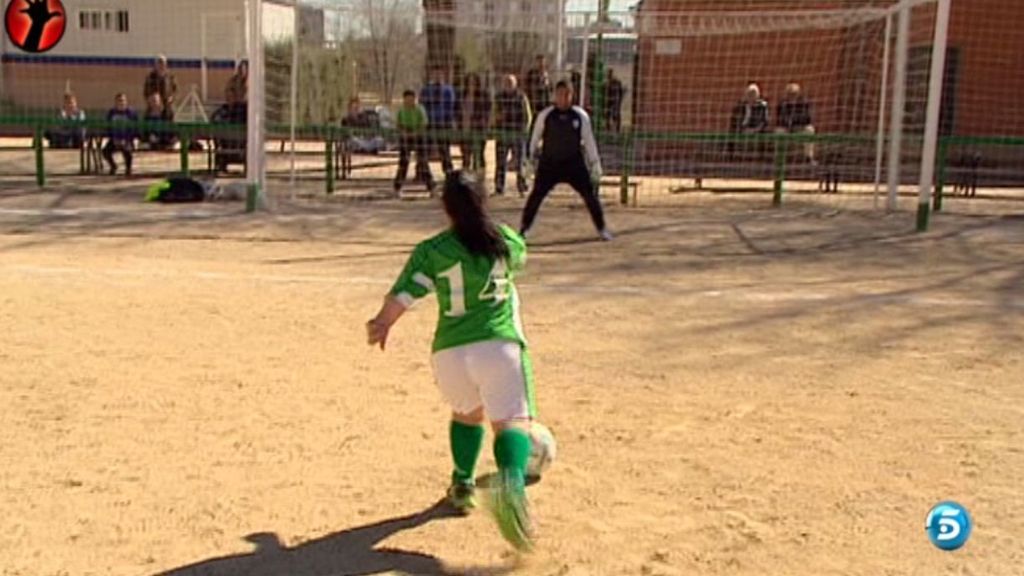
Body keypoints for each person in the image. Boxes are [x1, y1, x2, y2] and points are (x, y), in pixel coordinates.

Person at [366, 170, 536, 551]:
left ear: (445, 208)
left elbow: (404, 295)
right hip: (500, 347)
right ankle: (510, 484)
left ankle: (462, 484)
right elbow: (519, 260)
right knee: (512, 422)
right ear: (484, 201)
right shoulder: (506, 241)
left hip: (451, 353)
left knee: (466, 414)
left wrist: (381, 324)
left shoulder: (432, 251)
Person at [521, 80, 612, 242]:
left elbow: (589, 141)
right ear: (554, 96)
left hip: (573, 164)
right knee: (536, 196)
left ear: (572, 95)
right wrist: (528, 159)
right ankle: (524, 230)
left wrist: (595, 163)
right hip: (549, 164)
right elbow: (534, 138)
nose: (562, 98)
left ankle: (602, 228)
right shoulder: (545, 115)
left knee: (590, 195)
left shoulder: (580, 116)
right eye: (559, 94)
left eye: (566, 94)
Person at [493, 74, 532, 197]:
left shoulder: (521, 97)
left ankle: (522, 187)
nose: (508, 84)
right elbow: (494, 115)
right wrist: (497, 121)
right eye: (506, 82)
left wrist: (524, 130)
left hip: (518, 134)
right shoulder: (498, 97)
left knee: (520, 162)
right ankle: (499, 188)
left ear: (516, 84)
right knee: (500, 162)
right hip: (503, 134)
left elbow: (528, 116)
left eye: (511, 82)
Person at [394, 89, 435, 196]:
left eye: (411, 100)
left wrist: (416, 133)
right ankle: (397, 186)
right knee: (403, 161)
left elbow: (424, 124)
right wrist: (404, 133)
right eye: (406, 100)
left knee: (423, 161)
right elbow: (398, 124)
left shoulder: (419, 109)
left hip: (419, 136)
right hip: (406, 136)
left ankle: (430, 185)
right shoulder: (401, 110)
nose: (409, 102)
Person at [420, 67, 456, 175]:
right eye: (435, 74)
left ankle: (449, 175)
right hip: (429, 123)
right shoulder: (426, 90)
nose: (437, 76)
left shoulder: (448, 89)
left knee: (445, 151)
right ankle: (425, 176)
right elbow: (422, 105)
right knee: (425, 151)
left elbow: (451, 106)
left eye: (439, 74)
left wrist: (450, 122)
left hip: (444, 124)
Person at [776, 82, 817, 165]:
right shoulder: (782, 104)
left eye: (794, 94)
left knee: (809, 130)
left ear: (798, 94)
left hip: (800, 127)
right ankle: (780, 158)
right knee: (779, 131)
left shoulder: (804, 103)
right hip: (787, 128)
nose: (792, 95)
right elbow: (779, 120)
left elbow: (808, 118)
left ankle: (808, 157)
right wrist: (788, 125)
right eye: (790, 93)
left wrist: (798, 125)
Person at [457, 72, 491, 171]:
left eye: (474, 82)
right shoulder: (461, 95)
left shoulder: (484, 95)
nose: (471, 84)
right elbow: (457, 110)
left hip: (479, 128)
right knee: (466, 156)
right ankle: (466, 179)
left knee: (479, 154)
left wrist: (485, 124)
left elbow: (487, 111)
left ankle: (480, 176)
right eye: (469, 82)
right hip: (464, 128)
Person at [102, 93, 138, 176]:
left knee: (127, 151)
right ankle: (113, 166)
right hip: (115, 139)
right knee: (105, 151)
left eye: (123, 101)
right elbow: (108, 128)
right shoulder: (111, 113)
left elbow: (134, 129)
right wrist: (114, 139)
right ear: (115, 102)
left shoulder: (131, 113)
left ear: (126, 102)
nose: (121, 103)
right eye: (119, 101)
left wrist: (127, 140)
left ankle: (128, 168)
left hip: (127, 140)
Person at [143, 55, 178, 121]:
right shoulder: (150, 77)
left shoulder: (171, 77)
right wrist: (151, 100)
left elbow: (175, 90)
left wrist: (172, 98)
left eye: (163, 63)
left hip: (167, 106)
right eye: (159, 63)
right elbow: (146, 92)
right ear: (156, 64)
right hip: (153, 107)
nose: (161, 65)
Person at [605, 68, 625, 133]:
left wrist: (619, 100)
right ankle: (609, 128)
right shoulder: (607, 83)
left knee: (615, 114)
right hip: (611, 100)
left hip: (615, 100)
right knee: (608, 114)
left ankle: (616, 129)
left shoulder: (616, 82)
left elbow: (620, 91)